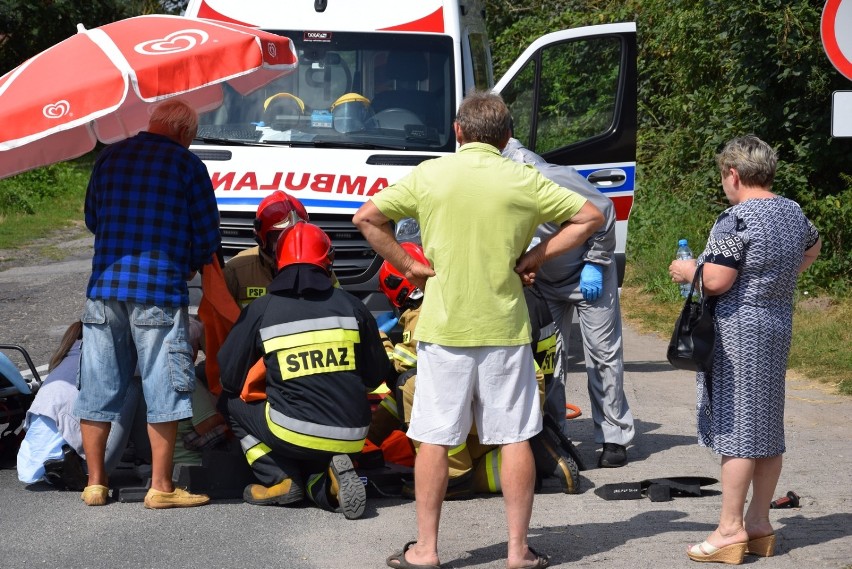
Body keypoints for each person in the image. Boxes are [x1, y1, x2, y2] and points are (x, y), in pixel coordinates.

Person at [353, 90, 603, 569]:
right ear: (507, 137)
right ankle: (517, 551)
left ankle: (425, 550)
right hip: (505, 328)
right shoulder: (523, 176)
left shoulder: (432, 175)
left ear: (458, 130)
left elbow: (367, 217)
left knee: (433, 436)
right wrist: (536, 256)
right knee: (513, 436)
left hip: (444, 328)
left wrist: (408, 264)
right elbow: (591, 215)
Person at [668, 135, 821, 565]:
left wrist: (687, 269)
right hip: (775, 325)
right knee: (767, 430)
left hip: (738, 332)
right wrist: (783, 275)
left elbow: (716, 280)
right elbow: (813, 247)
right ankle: (759, 523)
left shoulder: (735, 220)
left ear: (733, 174)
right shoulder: (792, 212)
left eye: (723, 176)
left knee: (736, 433)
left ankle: (729, 530)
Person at [75, 98, 221, 509]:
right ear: (184, 133)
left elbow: (92, 218)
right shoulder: (187, 166)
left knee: (99, 385)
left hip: (104, 290)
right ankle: (161, 487)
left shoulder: (110, 157)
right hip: (158, 290)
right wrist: (189, 262)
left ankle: (96, 484)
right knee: (165, 386)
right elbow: (208, 235)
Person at [368, 244, 580, 498]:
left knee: (410, 384)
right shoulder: (472, 292)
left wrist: (380, 341)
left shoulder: (423, 312)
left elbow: (401, 368)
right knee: (483, 454)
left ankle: (454, 475)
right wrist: (373, 436)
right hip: (519, 395)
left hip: (489, 397)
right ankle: (527, 461)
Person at [217, 222, 389, 519]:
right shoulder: (353, 306)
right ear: (329, 260)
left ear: (278, 260)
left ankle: (278, 478)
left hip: (291, 432)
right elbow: (376, 377)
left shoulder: (263, 308)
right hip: (354, 434)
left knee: (229, 403)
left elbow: (229, 379)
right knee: (314, 467)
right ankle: (329, 484)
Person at [503, 137, 634, 468]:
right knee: (550, 360)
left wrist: (596, 260)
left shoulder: (546, 175)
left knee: (603, 355)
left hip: (589, 273)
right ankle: (554, 435)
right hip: (545, 280)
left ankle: (613, 438)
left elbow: (603, 210)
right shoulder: (497, 181)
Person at [17, 321, 140, 490]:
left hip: (32, 465)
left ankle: (71, 461)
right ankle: (144, 459)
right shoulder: (111, 353)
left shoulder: (66, 357)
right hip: (83, 469)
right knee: (135, 383)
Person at [224, 190, 309, 307]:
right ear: (262, 236)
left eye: (294, 234)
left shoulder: (318, 268)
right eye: (278, 235)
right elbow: (217, 319)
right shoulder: (235, 271)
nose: (289, 243)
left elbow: (337, 304)